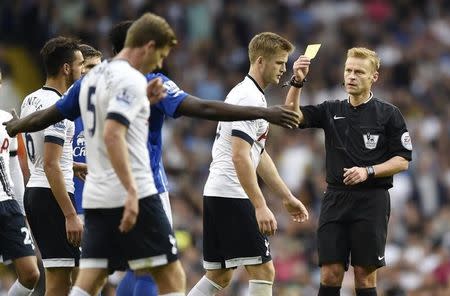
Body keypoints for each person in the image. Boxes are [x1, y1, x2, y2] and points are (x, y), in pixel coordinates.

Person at [61, 13, 187, 296]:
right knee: (165, 273)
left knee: (93, 277)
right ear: (147, 46)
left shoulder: (88, 87)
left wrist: (19, 124)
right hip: (137, 188)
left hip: (95, 195)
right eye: (162, 53)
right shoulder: (129, 79)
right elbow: (113, 134)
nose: (162, 62)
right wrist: (131, 190)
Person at [188, 32, 309, 296]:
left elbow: (259, 155)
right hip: (232, 193)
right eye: (279, 63)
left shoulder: (251, 95)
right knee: (264, 271)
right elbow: (240, 156)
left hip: (219, 192)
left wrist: (286, 197)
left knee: (219, 275)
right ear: (261, 61)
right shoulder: (248, 98)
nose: (283, 69)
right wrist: (260, 205)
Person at [285, 47, 413, 296]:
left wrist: (369, 171)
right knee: (329, 273)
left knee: (364, 277)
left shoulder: (388, 114)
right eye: (348, 70)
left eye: (359, 72)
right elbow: (291, 116)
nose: (351, 76)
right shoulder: (331, 109)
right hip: (335, 198)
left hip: (371, 200)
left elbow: (403, 160)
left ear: (373, 77)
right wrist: (297, 81)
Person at [20, 36, 84, 296]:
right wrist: (70, 214)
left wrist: (73, 165)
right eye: (80, 64)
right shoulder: (57, 107)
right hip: (52, 196)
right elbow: (50, 163)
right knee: (60, 283)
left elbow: (44, 157)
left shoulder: (31, 100)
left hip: (37, 192)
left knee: (64, 279)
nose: (82, 70)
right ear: (66, 68)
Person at [0, 68, 40, 296]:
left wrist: (21, 207)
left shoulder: (7, 121)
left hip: (8, 206)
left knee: (30, 274)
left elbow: (14, 166)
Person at [72, 44, 102, 215]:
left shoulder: (107, 110)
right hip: (71, 209)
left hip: (103, 208)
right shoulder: (59, 112)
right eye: (91, 67)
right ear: (78, 69)